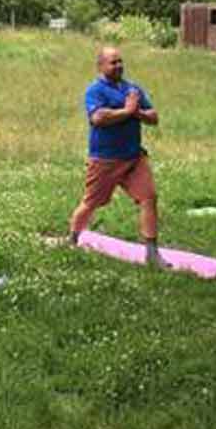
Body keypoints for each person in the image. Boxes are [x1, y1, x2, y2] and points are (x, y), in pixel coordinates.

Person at [67, 47, 167, 266]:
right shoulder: (95, 90)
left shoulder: (133, 89)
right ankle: (72, 238)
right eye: (113, 62)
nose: (119, 65)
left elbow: (153, 117)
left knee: (149, 197)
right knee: (92, 202)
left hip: (133, 158)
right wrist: (127, 111)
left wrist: (137, 112)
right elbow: (98, 118)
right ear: (101, 66)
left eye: (120, 61)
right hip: (105, 160)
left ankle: (152, 252)